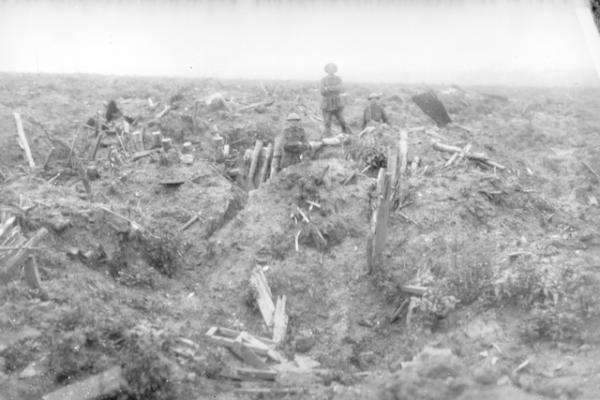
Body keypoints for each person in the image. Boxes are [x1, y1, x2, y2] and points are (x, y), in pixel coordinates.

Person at [320, 63, 351, 136]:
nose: (331, 70)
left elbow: (340, 89)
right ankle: (327, 135)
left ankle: (346, 133)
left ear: (334, 70)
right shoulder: (323, 80)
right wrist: (334, 88)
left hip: (337, 102)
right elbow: (322, 91)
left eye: (332, 69)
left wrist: (328, 88)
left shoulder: (338, 79)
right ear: (327, 70)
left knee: (341, 119)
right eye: (329, 69)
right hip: (327, 103)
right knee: (327, 121)